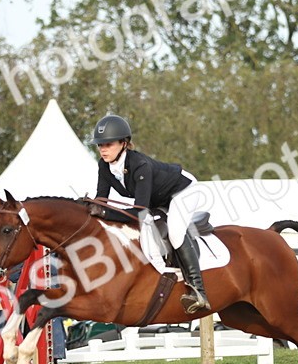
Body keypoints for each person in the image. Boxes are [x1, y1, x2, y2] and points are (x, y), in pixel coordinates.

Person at [88, 114, 211, 313]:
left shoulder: (140, 165)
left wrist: (103, 211)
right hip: (158, 199)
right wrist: (87, 207)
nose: (102, 149)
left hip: (183, 191)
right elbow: (101, 200)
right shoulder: (104, 166)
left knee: (175, 232)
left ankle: (198, 290)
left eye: (108, 144)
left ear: (123, 143)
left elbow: (139, 213)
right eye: (100, 145)